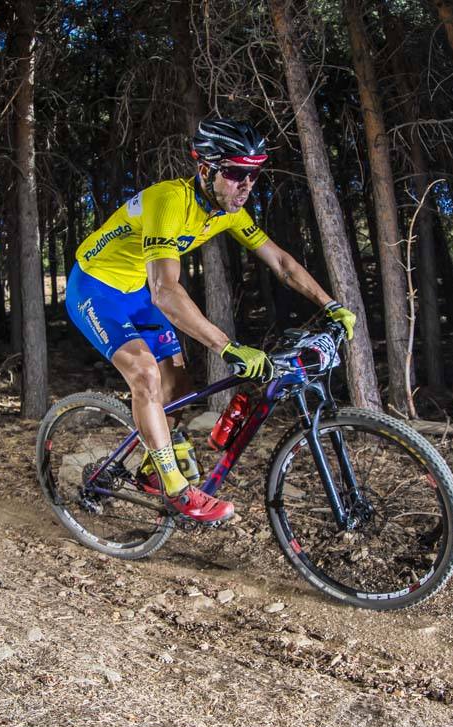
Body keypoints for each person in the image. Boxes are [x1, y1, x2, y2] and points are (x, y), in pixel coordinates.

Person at [64, 118, 356, 524]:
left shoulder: (228, 212)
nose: (246, 184)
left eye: (253, 174)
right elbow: (166, 292)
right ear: (205, 170)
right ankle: (177, 489)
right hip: (96, 289)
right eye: (236, 173)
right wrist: (226, 346)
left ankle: (150, 468)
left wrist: (330, 305)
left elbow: (283, 264)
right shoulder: (168, 202)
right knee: (146, 375)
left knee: (180, 388)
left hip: (137, 290)